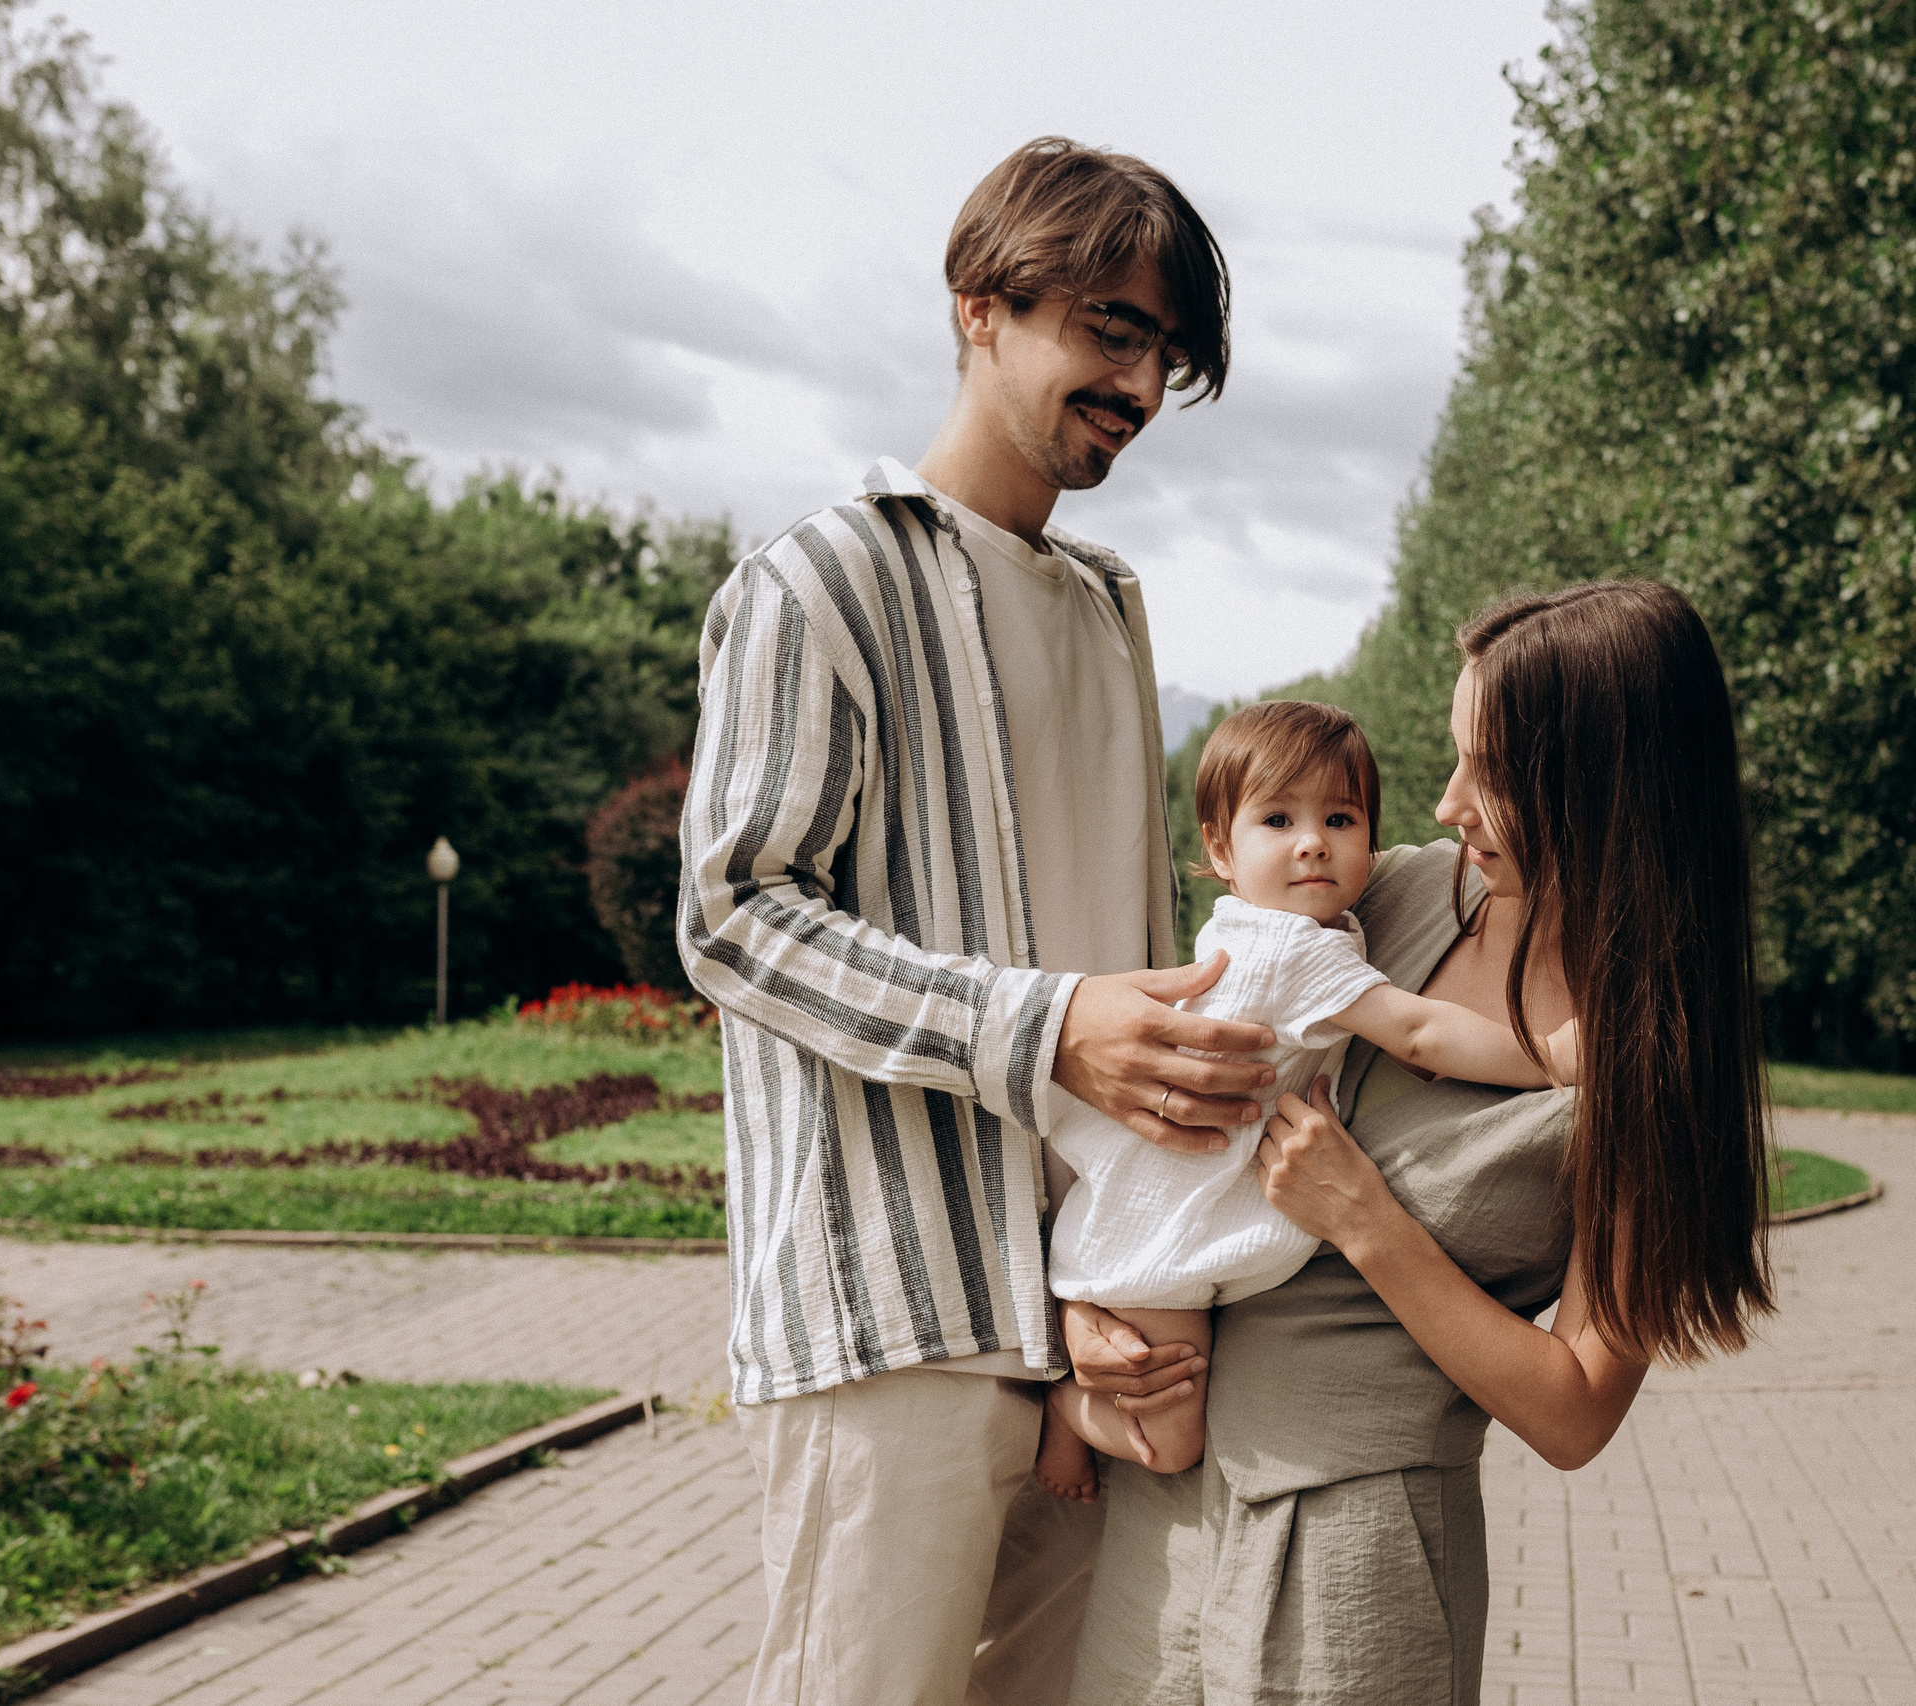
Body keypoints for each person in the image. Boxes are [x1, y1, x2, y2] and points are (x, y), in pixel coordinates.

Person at [677, 137, 1266, 1706]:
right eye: (1111, 331)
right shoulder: (818, 583)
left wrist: (1137, 1278)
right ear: (977, 309)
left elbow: (1140, 948)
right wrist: (1043, 1020)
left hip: (1094, 1322)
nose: (1138, 388)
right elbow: (734, 913)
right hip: (896, 1320)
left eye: (1164, 355)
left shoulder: (1112, 609)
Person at [1064, 579, 1777, 1706]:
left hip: (1357, 1545)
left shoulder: (1654, 1070)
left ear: (1603, 786)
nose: (1449, 804)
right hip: (1173, 1500)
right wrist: (1094, 1306)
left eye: (1489, 771)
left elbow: (1574, 1408)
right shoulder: (1387, 897)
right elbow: (1175, 1107)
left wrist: (1367, 1219)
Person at [1034, 700, 1571, 1503]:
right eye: (1278, 819)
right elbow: (1420, 1033)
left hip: (1162, 1203)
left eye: (1341, 818)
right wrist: (1551, 1057)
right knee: (1173, 1437)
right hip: (1163, 1236)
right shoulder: (1292, 950)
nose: (1313, 840)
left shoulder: (1260, 926)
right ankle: (1065, 1413)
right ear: (1219, 847)